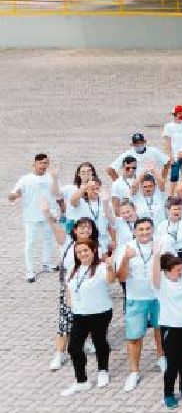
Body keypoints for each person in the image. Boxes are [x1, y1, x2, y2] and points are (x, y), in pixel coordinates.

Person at [60, 238, 117, 395]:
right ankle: (81, 381)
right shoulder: (73, 268)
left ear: (93, 251)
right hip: (80, 313)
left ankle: (103, 371)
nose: (83, 254)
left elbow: (111, 281)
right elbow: (69, 288)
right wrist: (70, 302)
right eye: (79, 252)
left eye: (86, 250)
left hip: (100, 312)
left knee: (99, 342)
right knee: (73, 348)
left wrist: (111, 267)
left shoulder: (102, 267)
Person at [115, 216, 165, 391]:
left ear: (153, 229)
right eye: (141, 229)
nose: (145, 232)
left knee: (161, 330)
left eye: (147, 229)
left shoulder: (161, 244)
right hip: (136, 298)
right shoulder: (125, 248)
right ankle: (134, 372)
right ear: (135, 232)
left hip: (159, 296)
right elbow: (120, 277)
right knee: (135, 336)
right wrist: (126, 259)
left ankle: (161, 358)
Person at [150, 239, 182, 408]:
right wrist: (156, 256)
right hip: (172, 328)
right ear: (167, 271)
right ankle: (168, 393)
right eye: (178, 270)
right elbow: (155, 275)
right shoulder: (161, 284)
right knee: (173, 362)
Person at [9, 152, 60, 282]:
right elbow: (14, 194)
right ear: (34, 164)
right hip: (31, 216)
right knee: (30, 243)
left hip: (48, 215)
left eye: (46, 163)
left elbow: (58, 194)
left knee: (48, 239)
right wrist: (14, 196)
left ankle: (47, 263)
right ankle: (30, 270)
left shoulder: (51, 178)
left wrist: (61, 209)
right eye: (41, 163)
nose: (43, 165)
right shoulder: (25, 179)